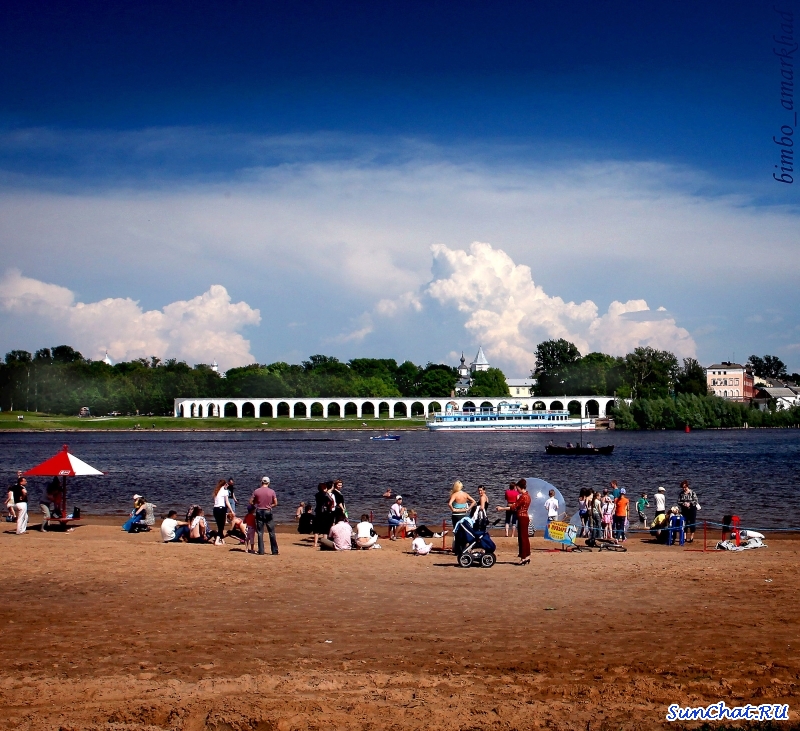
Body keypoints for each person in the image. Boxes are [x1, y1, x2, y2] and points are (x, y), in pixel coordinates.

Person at [250, 476, 279, 555]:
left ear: (261, 482)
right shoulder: (272, 491)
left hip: (259, 511)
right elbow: (276, 503)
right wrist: (270, 506)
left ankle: (261, 550)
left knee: (260, 532)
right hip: (268, 511)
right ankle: (274, 550)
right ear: (268, 483)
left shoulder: (256, 491)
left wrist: (256, 504)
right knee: (271, 532)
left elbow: (251, 501)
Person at [510, 479, 531, 565]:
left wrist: (502, 508)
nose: (517, 490)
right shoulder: (528, 496)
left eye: (517, 488)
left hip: (522, 517)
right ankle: (527, 555)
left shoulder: (523, 497)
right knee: (525, 537)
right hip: (525, 517)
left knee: (522, 538)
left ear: (520, 487)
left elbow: (514, 506)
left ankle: (523, 557)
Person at [212, 479, 233, 546]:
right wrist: (232, 510)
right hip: (221, 509)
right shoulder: (225, 491)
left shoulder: (216, 491)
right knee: (221, 526)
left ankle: (221, 539)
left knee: (219, 525)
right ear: (224, 484)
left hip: (215, 509)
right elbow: (227, 502)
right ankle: (217, 541)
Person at [314, 482, 334, 548]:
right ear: (324, 488)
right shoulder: (326, 494)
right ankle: (324, 542)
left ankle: (315, 543)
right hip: (325, 512)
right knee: (325, 529)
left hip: (318, 511)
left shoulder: (317, 495)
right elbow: (331, 500)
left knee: (316, 528)